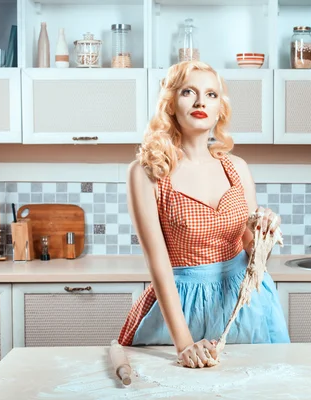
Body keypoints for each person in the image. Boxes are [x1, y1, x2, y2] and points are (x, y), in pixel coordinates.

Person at [117, 60, 290, 368]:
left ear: (219, 108)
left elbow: (254, 256)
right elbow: (158, 265)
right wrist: (183, 344)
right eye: (188, 92)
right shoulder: (148, 172)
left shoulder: (236, 168)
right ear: (170, 103)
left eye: (211, 94)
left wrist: (265, 233)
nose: (200, 101)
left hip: (246, 304)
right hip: (184, 306)